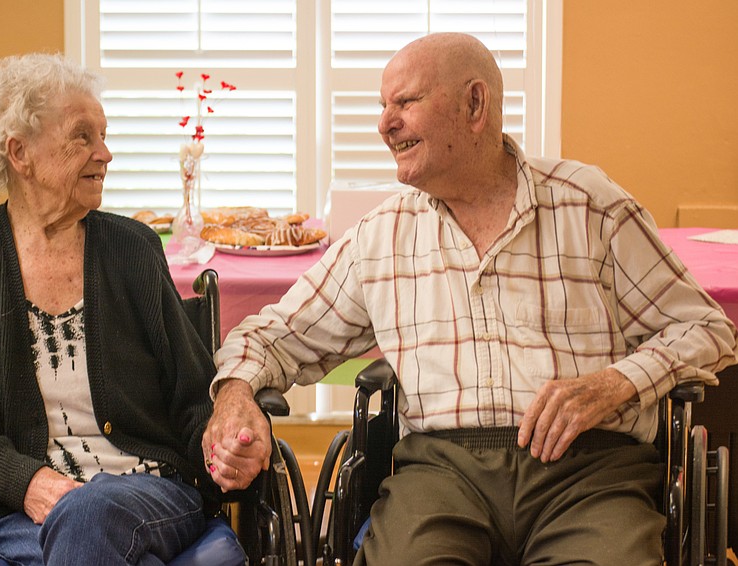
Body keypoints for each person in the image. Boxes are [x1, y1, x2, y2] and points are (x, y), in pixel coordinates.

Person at [203, 33, 738, 565]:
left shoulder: (589, 207)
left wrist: (613, 384)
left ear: (475, 104)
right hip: (441, 476)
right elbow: (272, 337)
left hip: (589, 475)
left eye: (406, 102)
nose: (385, 123)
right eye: (383, 106)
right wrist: (234, 396)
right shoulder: (384, 236)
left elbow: (708, 330)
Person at [0, 53, 217, 565]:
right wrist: (23, 479)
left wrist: (225, 439)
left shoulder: (134, 249)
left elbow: (192, 391)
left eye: (104, 135)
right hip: (16, 511)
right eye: (83, 137)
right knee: (95, 538)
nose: (106, 154)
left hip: (147, 491)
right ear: (19, 153)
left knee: (91, 516)